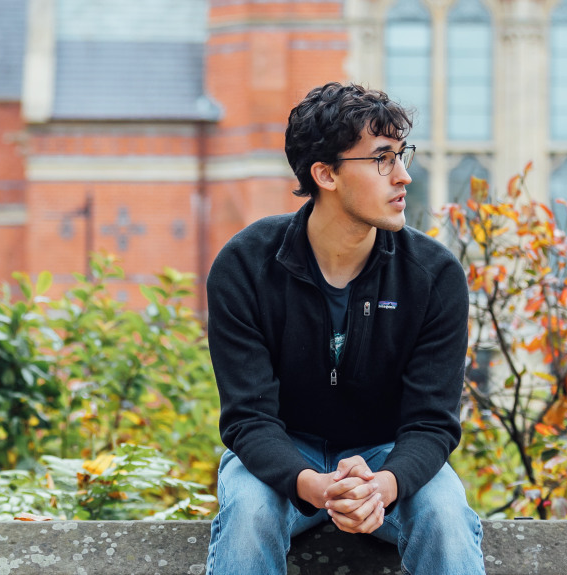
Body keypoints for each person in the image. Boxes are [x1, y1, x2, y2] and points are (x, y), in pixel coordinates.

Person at [203, 82, 485, 575]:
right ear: (325, 174)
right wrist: (312, 482)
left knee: (443, 513)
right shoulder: (245, 266)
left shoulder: (434, 276)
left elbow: (431, 422)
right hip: (283, 457)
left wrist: (385, 484)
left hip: (389, 459)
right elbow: (248, 418)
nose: (404, 177)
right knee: (249, 514)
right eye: (382, 159)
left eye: (403, 156)